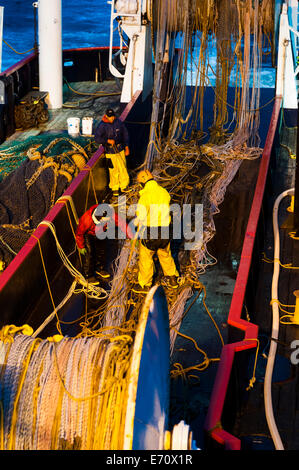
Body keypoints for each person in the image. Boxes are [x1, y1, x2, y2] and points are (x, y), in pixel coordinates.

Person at [132, 170, 179, 294]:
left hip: (151, 232)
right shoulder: (164, 192)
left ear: (142, 181)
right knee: (165, 254)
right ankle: (172, 278)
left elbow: (140, 216)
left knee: (146, 257)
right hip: (165, 230)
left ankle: (144, 285)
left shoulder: (145, 196)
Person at [75, 203, 133, 284]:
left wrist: (131, 235)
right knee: (89, 254)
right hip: (89, 234)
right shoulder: (86, 220)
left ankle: (100, 269)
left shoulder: (109, 213)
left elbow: (122, 223)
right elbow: (79, 234)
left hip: (101, 231)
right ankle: (88, 276)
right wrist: (81, 246)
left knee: (101, 251)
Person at [94, 108, 130, 197]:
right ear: (106, 116)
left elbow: (125, 134)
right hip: (110, 152)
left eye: (112, 116)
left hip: (120, 149)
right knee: (113, 170)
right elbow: (97, 138)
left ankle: (124, 186)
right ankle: (115, 188)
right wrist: (107, 141)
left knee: (122, 168)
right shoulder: (102, 126)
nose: (111, 118)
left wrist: (126, 146)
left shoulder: (118, 123)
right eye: (109, 117)